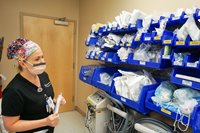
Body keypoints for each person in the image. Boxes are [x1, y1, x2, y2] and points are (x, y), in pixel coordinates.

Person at [1, 38, 66, 133]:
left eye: (42, 57)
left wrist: (56, 102)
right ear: (22, 63)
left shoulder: (43, 76)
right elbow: (10, 126)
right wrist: (45, 122)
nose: (42, 61)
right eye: (37, 59)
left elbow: (42, 100)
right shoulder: (13, 90)